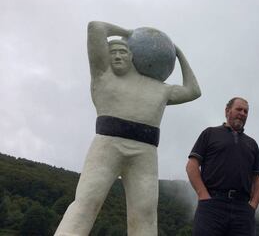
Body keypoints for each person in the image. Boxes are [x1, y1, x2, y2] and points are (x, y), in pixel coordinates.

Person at [55, 21, 201, 236]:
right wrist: (129, 34)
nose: (117, 56)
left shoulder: (160, 90)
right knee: (87, 202)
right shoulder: (103, 75)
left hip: (145, 152)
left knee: (145, 213)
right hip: (107, 145)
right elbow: (95, 27)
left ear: (133, 56)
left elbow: (193, 90)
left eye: (123, 51)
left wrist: (178, 54)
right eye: (112, 52)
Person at [186, 97, 259, 236]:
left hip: (243, 209)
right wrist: (203, 195)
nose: (243, 113)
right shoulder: (209, 133)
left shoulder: (252, 144)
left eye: (246, 111)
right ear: (227, 111)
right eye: (239, 109)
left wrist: (252, 206)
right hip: (212, 205)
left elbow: (258, 178)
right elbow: (192, 165)